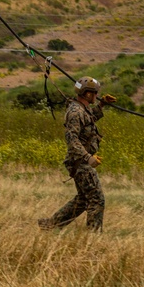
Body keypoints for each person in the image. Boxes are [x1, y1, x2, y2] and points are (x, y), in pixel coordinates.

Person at [38, 76, 113, 232]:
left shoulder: (81, 109)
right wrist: (88, 157)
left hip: (80, 161)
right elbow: (72, 140)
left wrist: (102, 105)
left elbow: (89, 120)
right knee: (96, 200)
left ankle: (51, 225)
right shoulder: (75, 112)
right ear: (87, 94)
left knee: (83, 199)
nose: (96, 95)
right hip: (80, 162)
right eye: (95, 93)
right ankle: (92, 238)